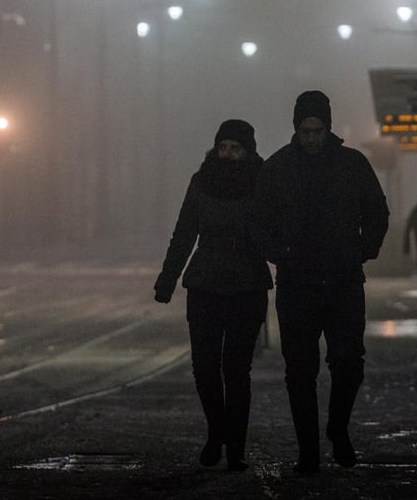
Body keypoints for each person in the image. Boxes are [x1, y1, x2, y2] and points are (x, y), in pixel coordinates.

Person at [254, 90, 389, 474]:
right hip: (300, 281)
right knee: (300, 369)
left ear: (327, 127)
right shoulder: (281, 168)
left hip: (340, 279)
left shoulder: (348, 164)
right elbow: (259, 220)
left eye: (316, 130)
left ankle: (334, 429)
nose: (311, 137)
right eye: (305, 130)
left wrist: (363, 249)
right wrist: (279, 252)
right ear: (296, 128)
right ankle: (311, 448)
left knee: (348, 363)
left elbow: (376, 211)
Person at [154, 119, 273, 471]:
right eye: (223, 147)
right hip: (205, 281)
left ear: (248, 151)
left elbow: (277, 229)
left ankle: (235, 447)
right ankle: (216, 432)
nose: (228, 154)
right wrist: (168, 278)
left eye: (235, 149)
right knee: (204, 366)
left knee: (237, 369)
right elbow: (184, 231)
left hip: (247, 284)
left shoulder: (262, 182)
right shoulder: (202, 181)